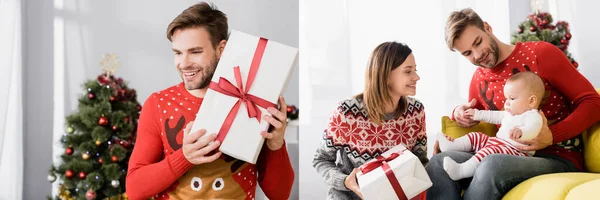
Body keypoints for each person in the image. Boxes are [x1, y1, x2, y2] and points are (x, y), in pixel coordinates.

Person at [426, 8, 600, 200]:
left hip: (556, 156)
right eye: (467, 53)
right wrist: (458, 117)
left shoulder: (540, 53)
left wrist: (552, 135)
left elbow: (593, 102)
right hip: (506, 152)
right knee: (438, 163)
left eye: (478, 42)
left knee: (492, 164)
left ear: (487, 28)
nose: (477, 55)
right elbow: (479, 121)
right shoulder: (479, 80)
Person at [125, 2, 294, 199]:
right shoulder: (158, 104)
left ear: (221, 49)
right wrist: (184, 158)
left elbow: (280, 194)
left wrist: (276, 145)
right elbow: (135, 189)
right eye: (178, 53)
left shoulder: (252, 104)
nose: (184, 64)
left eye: (195, 52)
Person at [313, 41, 427, 200]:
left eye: (415, 70)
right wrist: (346, 181)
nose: (417, 77)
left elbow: (420, 162)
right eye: (408, 71)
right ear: (385, 74)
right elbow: (320, 160)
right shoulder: (347, 112)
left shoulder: (416, 111)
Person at [438, 71, 545, 180]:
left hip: (516, 152)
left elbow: (534, 128)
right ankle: (451, 145)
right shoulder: (509, 113)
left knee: (489, 152)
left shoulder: (533, 116)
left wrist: (522, 132)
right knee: (476, 136)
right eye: (506, 99)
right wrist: (477, 114)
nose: (506, 103)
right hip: (498, 144)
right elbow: (493, 116)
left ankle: (461, 171)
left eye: (512, 98)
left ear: (531, 101)